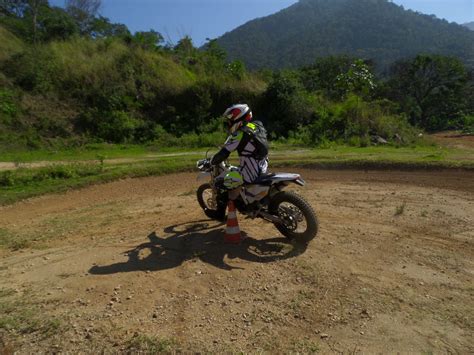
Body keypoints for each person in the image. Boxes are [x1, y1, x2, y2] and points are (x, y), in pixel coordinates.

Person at [211, 104, 269, 196]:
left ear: (238, 117)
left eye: (230, 119)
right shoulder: (257, 125)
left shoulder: (239, 134)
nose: (229, 122)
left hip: (250, 174)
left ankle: (229, 210)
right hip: (263, 167)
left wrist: (211, 162)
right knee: (235, 170)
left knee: (219, 182)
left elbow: (223, 153)